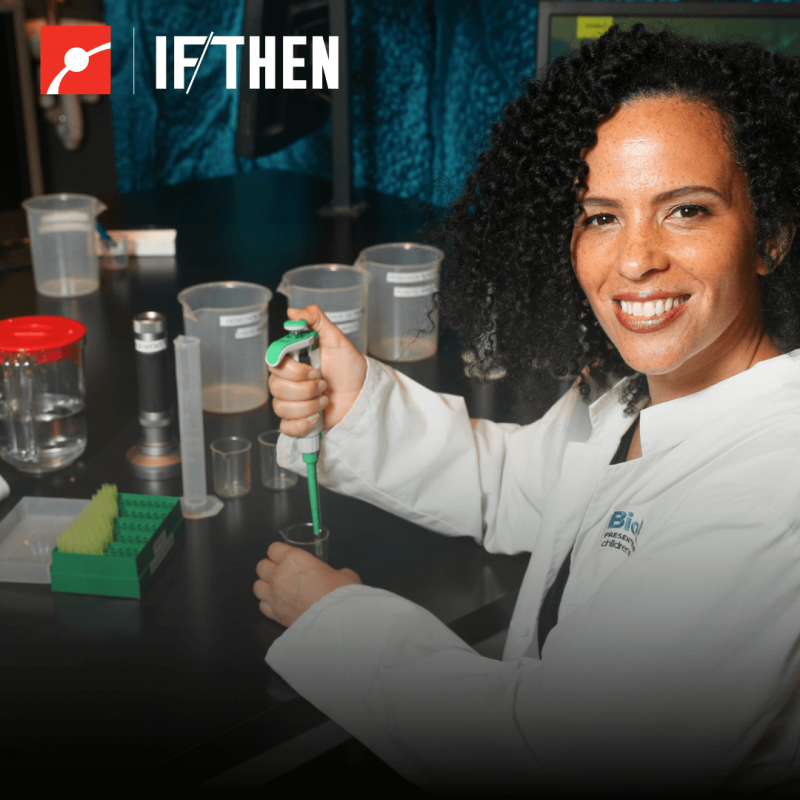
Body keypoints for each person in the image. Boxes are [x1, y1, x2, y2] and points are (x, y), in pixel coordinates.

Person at [253, 25, 800, 796]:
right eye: (601, 216)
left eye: (686, 211)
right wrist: (356, 403)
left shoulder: (771, 494)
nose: (635, 259)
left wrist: (334, 616)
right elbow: (520, 485)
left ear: (769, 234)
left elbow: (549, 756)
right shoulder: (637, 397)